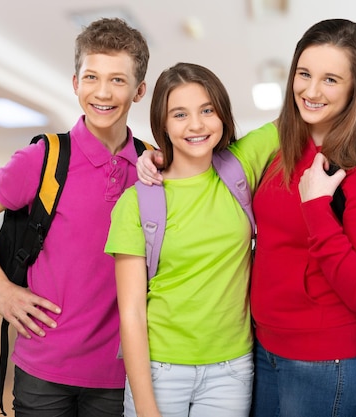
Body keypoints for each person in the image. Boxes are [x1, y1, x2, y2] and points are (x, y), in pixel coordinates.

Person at [0, 18, 150, 416]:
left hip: (121, 371)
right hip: (43, 369)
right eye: (91, 77)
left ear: (139, 90)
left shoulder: (152, 165)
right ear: (75, 83)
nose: (102, 92)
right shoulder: (43, 158)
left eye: (117, 80)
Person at [104, 62, 279, 417]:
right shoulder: (136, 201)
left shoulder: (241, 166)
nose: (196, 125)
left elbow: (309, 111)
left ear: (222, 115)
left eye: (207, 110)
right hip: (160, 369)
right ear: (163, 125)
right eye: (180, 114)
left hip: (231, 369)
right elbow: (132, 314)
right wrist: (146, 407)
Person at [248, 19, 356, 417]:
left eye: (330, 79)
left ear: (355, 88)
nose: (311, 91)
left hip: (325, 362)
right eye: (304, 74)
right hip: (264, 348)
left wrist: (317, 208)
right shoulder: (281, 148)